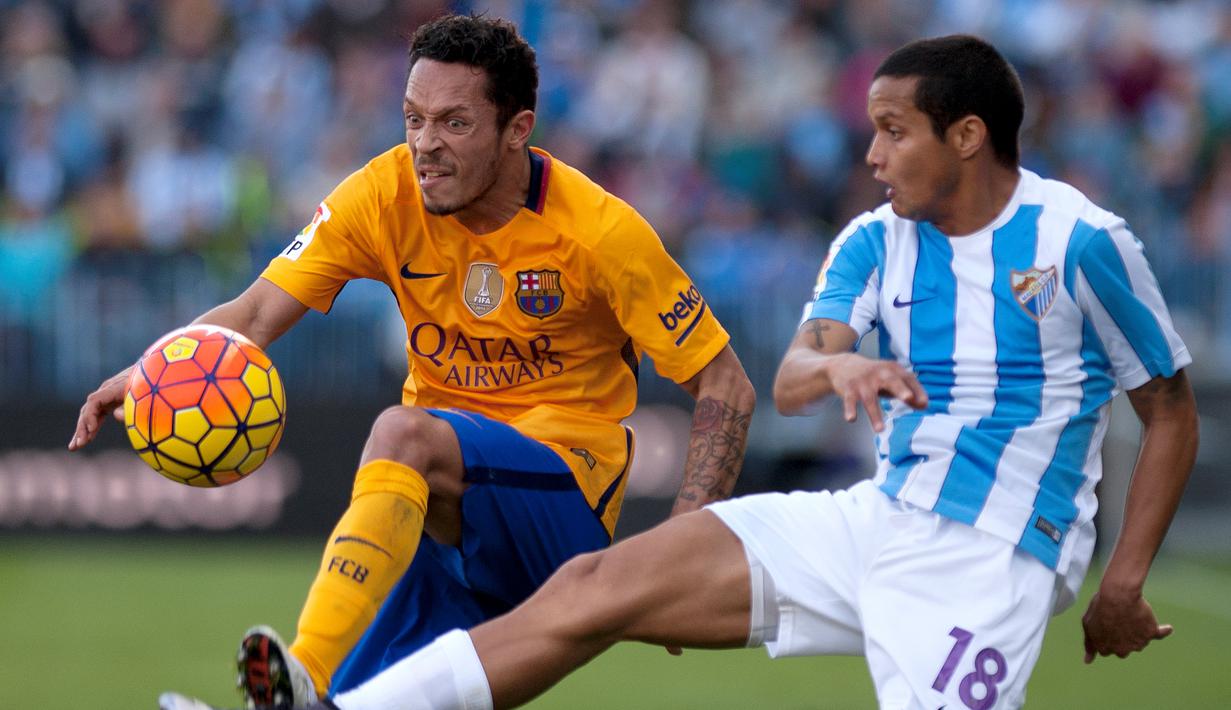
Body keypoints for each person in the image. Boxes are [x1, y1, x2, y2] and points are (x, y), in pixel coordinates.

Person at [162, 33, 1200, 710]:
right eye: (871, 129)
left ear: (966, 136)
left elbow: (1167, 410)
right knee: (595, 585)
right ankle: (318, 702)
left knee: (443, 469)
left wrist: (1119, 577)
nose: (872, 153)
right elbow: (790, 373)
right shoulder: (870, 241)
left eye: (892, 131)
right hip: (878, 515)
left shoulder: (1080, 241)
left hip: (993, 553)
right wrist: (839, 374)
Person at [71, 13, 755, 709]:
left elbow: (723, 378)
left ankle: (302, 666)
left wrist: (684, 539)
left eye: (454, 123)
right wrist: (148, 371)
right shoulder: (381, 195)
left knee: (403, 432)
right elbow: (250, 318)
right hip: (442, 519)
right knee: (360, 700)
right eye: (412, 118)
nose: (425, 144)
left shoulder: (601, 233)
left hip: (558, 507)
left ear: (516, 129)